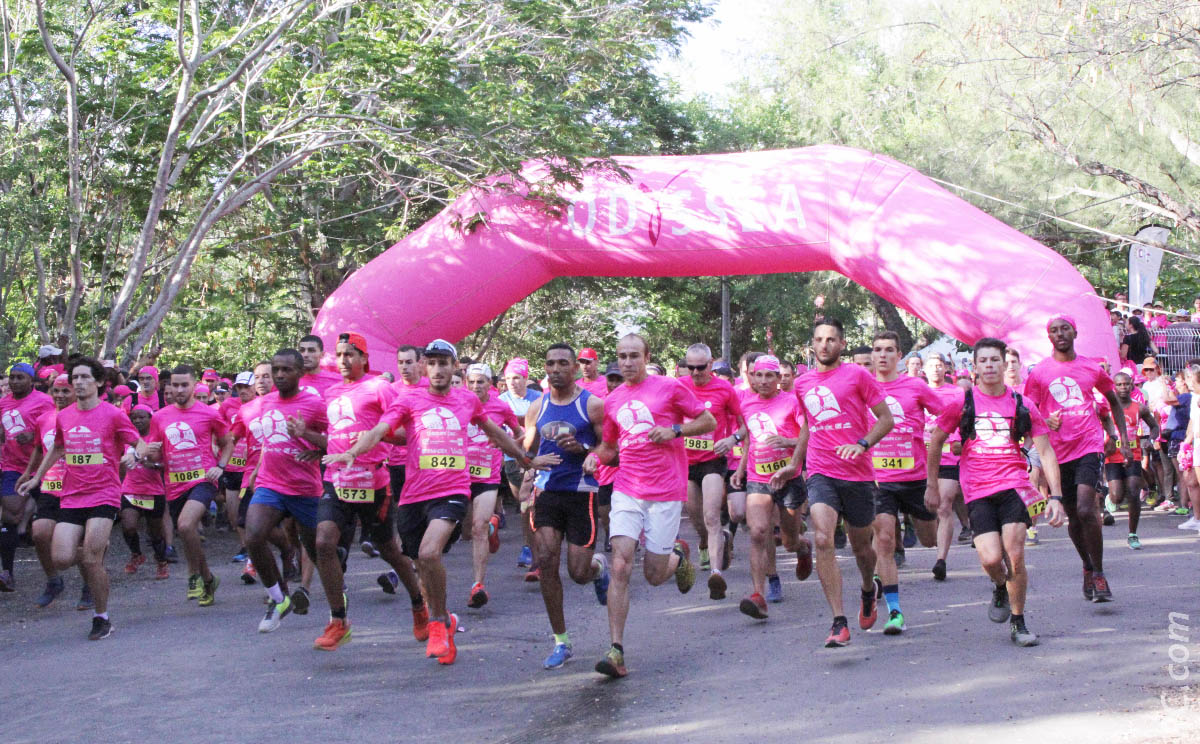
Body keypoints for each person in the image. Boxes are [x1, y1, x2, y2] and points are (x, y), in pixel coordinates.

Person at [329, 339, 532, 665]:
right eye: (432, 363)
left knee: (429, 552)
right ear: (425, 367)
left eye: (444, 363)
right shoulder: (408, 399)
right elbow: (381, 429)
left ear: (455, 368)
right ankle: (445, 621)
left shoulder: (467, 400)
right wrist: (354, 451)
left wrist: (525, 459)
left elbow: (496, 433)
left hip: (451, 491)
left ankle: (437, 623)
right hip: (413, 496)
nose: (438, 369)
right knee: (421, 563)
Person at [583, 333, 716, 678]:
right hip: (628, 488)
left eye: (633, 356)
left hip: (666, 490)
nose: (627, 362)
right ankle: (616, 650)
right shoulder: (612, 401)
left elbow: (708, 422)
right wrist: (594, 458)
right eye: (621, 357)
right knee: (621, 565)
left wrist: (674, 430)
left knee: (654, 576)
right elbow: (611, 447)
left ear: (646, 356)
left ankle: (677, 556)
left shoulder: (670, 387)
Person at [926, 337, 1066, 646]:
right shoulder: (962, 403)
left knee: (1015, 554)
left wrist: (1055, 496)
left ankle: (1019, 621)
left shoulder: (1022, 404)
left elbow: (1045, 450)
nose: (989, 365)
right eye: (984, 361)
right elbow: (936, 441)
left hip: (1014, 485)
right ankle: (1000, 585)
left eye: (995, 360)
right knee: (991, 559)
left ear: (1005, 365)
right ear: (974, 367)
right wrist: (931, 484)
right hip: (977, 490)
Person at [769, 318, 894, 647]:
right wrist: (795, 464)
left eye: (831, 340)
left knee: (861, 548)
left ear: (841, 344)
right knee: (823, 537)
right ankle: (838, 621)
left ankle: (868, 588)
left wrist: (862, 444)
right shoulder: (803, 383)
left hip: (858, 472)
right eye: (819, 339)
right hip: (821, 470)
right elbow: (808, 425)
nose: (824, 345)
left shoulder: (857, 375)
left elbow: (886, 419)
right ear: (813, 344)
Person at [311, 333, 426, 650]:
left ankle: (419, 604)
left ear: (364, 359)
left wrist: (375, 437)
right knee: (323, 542)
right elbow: (331, 435)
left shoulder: (380, 387)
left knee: (390, 550)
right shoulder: (331, 392)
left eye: (351, 354)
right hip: (336, 479)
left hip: (372, 483)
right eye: (339, 354)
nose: (344, 360)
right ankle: (339, 620)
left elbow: (405, 432)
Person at [18, 356, 141, 640]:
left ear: (98, 382)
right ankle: (94, 551)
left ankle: (102, 617)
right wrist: (36, 477)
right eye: (75, 378)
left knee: (91, 559)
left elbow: (138, 442)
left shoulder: (112, 414)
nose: (80, 383)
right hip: (72, 494)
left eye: (85, 377)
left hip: (104, 493)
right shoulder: (64, 415)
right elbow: (58, 447)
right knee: (60, 558)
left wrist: (135, 454)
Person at [1023, 315, 1130, 603]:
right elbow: (1027, 414)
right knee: (1073, 516)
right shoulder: (1039, 373)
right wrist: (1046, 420)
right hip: (1056, 452)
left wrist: (1124, 440)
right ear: (1049, 337)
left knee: (1086, 509)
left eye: (1065, 329)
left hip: (1088, 444)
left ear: (1075, 332)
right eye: (1054, 331)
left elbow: (1113, 402)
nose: (1060, 334)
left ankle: (1099, 573)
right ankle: (1087, 565)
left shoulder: (1091, 368)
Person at [524, 343, 610, 669]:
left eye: (563, 363)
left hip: (581, 493)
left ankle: (597, 570)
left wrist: (584, 448)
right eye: (550, 363)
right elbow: (525, 450)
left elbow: (607, 447)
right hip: (546, 493)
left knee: (577, 572)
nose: (555, 369)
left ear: (575, 368)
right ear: (544, 368)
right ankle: (561, 640)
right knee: (546, 561)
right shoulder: (537, 406)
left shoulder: (592, 405)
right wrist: (531, 462)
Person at [231, 349, 328, 632]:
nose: (280, 375)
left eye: (287, 370)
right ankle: (279, 597)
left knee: (316, 549)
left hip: (305, 486)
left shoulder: (313, 404)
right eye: (277, 369)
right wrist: (256, 469)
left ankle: (338, 602)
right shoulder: (262, 404)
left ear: (299, 373)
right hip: (270, 483)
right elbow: (266, 439)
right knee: (254, 535)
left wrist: (315, 448)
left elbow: (333, 441)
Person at [869, 331, 942, 634]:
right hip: (877, 480)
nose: (883, 355)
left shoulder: (915, 386)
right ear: (872, 356)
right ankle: (895, 611)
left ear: (899, 356)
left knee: (929, 540)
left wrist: (940, 438)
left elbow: (946, 415)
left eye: (889, 350)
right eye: (877, 350)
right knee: (883, 542)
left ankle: (914, 524)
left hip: (914, 478)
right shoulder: (863, 387)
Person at [142, 365, 232, 607]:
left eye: (184, 385)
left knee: (185, 524)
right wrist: (150, 454)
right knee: (187, 532)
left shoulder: (209, 414)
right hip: (174, 483)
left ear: (194, 386)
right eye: (175, 385)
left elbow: (228, 442)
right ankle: (209, 579)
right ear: (168, 386)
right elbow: (155, 454)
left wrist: (221, 466)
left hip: (203, 479)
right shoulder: (160, 417)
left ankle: (193, 574)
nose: (179, 389)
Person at [729, 354, 807, 620]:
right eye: (758, 375)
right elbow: (749, 438)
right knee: (758, 532)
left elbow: (808, 437)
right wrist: (740, 469)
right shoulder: (745, 403)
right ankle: (759, 592)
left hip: (789, 478)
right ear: (751, 376)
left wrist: (787, 442)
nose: (763, 381)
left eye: (769, 376)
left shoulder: (792, 402)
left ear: (778, 378)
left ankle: (802, 547)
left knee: (788, 540)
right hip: (758, 478)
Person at [679, 342, 745, 600]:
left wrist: (732, 441)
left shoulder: (724, 389)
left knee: (711, 517)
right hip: (686, 462)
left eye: (700, 367)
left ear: (711, 365)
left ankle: (716, 574)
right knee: (696, 518)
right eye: (690, 367)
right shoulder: (679, 387)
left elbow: (743, 426)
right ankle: (707, 544)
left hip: (713, 460)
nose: (695, 373)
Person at [20, 374, 89, 606]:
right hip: (51, 485)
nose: (59, 396)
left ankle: (89, 583)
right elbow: (40, 449)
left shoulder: (86, 417)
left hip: (79, 488)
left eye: (65, 391)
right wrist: (29, 473)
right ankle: (53, 580)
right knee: (39, 533)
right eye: (56, 391)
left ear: (76, 392)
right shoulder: (44, 419)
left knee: (79, 542)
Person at [462, 363, 521, 609]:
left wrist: (506, 445)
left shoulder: (501, 406)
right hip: (460, 476)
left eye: (481, 382)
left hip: (487, 475)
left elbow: (520, 433)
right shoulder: (458, 402)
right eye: (472, 382)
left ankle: (478, 585)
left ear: (491, 385)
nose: (476, 386)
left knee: (477, 528)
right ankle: (492, 529)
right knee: (466, 532)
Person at [0, 362, 55, 590]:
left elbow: (55, 428)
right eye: (12, 377)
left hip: (44, 467)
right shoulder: (3, 402)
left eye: (20, 377)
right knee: (10, 517)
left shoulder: (44, 401)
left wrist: (33, 435)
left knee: (55, 516)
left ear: (32, 381)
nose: (14, 381)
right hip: (13, 466)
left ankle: (62, 563)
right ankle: (7, 573)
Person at [1104, 372, 1158, 550]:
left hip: (1133, 455)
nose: (1123, 388)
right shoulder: (1107, 408)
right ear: (1114, 386)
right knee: (1117, 497)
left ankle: (1133, 534)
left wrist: (1150, 440)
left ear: (1132, 385)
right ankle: (1108, 499)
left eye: (1126, 384)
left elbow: (1154, 426)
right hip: (1112, 456)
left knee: (1133, 492)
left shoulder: (1139, 408)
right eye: (1119, 385)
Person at [923, 353, 964, 581]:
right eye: (932, 366)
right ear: (924, 370)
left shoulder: (957, 393)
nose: (936, 370)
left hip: (948, 456)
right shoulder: (918, 391)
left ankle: (941, 560)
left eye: (939, 366)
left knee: (944, 505)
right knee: (929, 510)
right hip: (920, 458)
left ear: (946, 368)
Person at [117, 405, 169, 580]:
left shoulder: (159, 438)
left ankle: (161, 562)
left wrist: (153, 465)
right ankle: (136, 554)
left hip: (153, 491)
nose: (137, 421)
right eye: (134, 418)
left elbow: (169, 465)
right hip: (130, 488)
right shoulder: (127, 439)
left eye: (142, 417)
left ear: (150, 418)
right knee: (128, 525)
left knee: (155, 533)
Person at [500, 357, 541, 574]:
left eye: (516, 378)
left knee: (529, 504)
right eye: (508, 378)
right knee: (523, 506)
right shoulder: (501, 401)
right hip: (511, 460)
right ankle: (530, 542)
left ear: (525, 379)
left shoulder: (539, 398)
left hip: (535, 458)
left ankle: (531, 549)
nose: (512, 382)